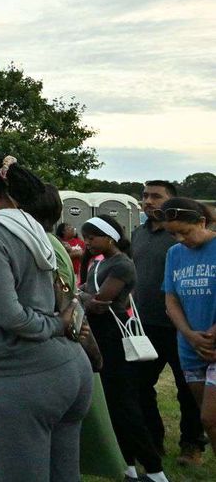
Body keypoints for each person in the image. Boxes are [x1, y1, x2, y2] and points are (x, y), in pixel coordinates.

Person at [0, 150, 91, 482]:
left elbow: (11, 316)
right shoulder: (30, 224)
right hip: (69, 371)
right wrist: (60, 325)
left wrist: (56, 324)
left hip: (17, 376)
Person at [79, 214, 168, 481]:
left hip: (116, 340)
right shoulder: (98, 263)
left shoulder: (122, 265)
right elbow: (89, 295)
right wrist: (84, 296)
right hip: (101, 338)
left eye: (92, 237)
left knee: (125, 406)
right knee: (112, 406)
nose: (88, 243)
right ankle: (127, 465)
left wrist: (78, 296)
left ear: (110, 237)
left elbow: (99, 302)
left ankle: (154, 469)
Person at [133, 180, 206, 467]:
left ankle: (192, 446)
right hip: (146, 324)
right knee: (140, 386)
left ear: (173, 202)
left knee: (187, 389)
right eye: (145, 196)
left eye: (156, 197)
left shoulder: (183, 235)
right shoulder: (138, 233)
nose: (148, 201)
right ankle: (153, 441)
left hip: (182, 326)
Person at [160, 197, 216, 455]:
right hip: (190, 346)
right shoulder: (174, 254)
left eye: (184, 232)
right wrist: (189, 335)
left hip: (213, 342)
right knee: (211, 422)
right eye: (173, 234)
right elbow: (171, 299)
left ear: (202, 222)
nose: (179, 239)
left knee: (209, 418)